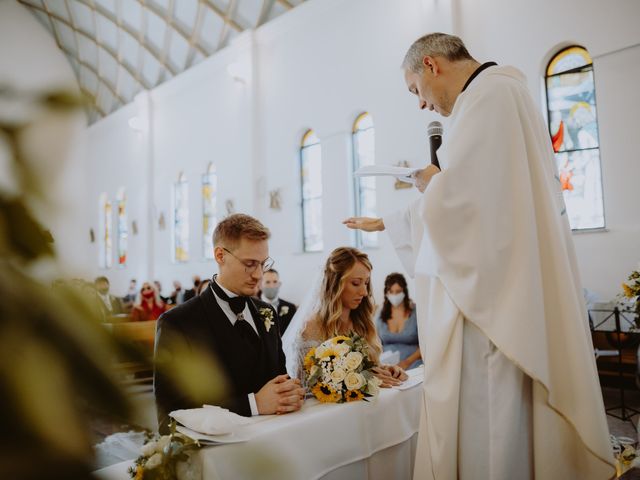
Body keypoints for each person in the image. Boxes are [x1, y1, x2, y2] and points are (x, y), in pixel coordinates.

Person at [344, 33, 613, 479]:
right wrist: (395, 219)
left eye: (416, 91)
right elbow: (481, 198)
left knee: (492, 422)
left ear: (431, 66)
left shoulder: (491, 97)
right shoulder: (494, 97)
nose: (422, 105)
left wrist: (432, 184)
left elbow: (469, 205)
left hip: (493, 305)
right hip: (500, 286)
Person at [154, 214, 304, 433]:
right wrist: (254, 404)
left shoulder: (266, 312)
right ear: (220, 255)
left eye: (263, 264)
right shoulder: (178, 323)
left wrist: (289, 393)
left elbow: (277, 377)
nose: (259, 275)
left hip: (275, 439)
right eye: (250, 264)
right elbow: (171, 413)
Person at [283, 247, 407, 388]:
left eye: (366, 283)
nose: (364, 292)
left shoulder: (362, 322)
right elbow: (306, 385)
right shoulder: (312, 327)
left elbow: (368, 369)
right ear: (335, 284)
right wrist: (361, 381)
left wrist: (385, 370)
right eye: (355, 283)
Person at [375, 273, 422, 370]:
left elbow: (426, 345)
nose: (394, 295)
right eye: (391, 291)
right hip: (387, 366)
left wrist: (406, 362)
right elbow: (375, 344)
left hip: (413, 364)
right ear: (386, 293)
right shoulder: (380, 314)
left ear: (404, 291)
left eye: (398, 291)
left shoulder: (417, 312)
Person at [258, 269, 297, 335]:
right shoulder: (252, 306)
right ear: (260, 285)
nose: (272, 286)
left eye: (275, 282)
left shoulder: (291, 308)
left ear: (279, 284)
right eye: (267, 282)